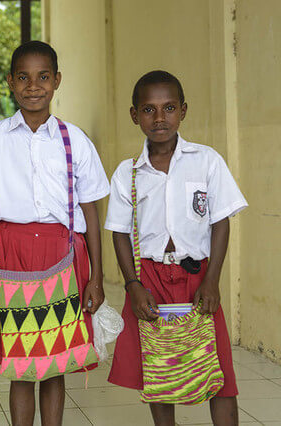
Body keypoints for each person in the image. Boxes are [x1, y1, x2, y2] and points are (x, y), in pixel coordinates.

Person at [0, 41, 109, 426]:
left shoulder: (75, 140)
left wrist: (96, 276)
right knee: (21, 363)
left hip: (61, 256)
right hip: (10, 255)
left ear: (57, 81)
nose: (34, 86)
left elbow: (90, 213)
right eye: (24, 78)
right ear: (11, 83)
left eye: (43, 77)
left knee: (56, 361)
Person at [105, 70, 247, 426]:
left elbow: (220, 221)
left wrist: (212, 279)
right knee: (159, 369)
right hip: (150, 278)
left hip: (197, 275)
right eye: (149, 110)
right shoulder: (128, 172)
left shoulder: (206, 160)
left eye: (168, 108)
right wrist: (133, 285)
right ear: (134, 115)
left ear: (183, 110)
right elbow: (120, 233)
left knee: (219, 369)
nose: (159, 118)